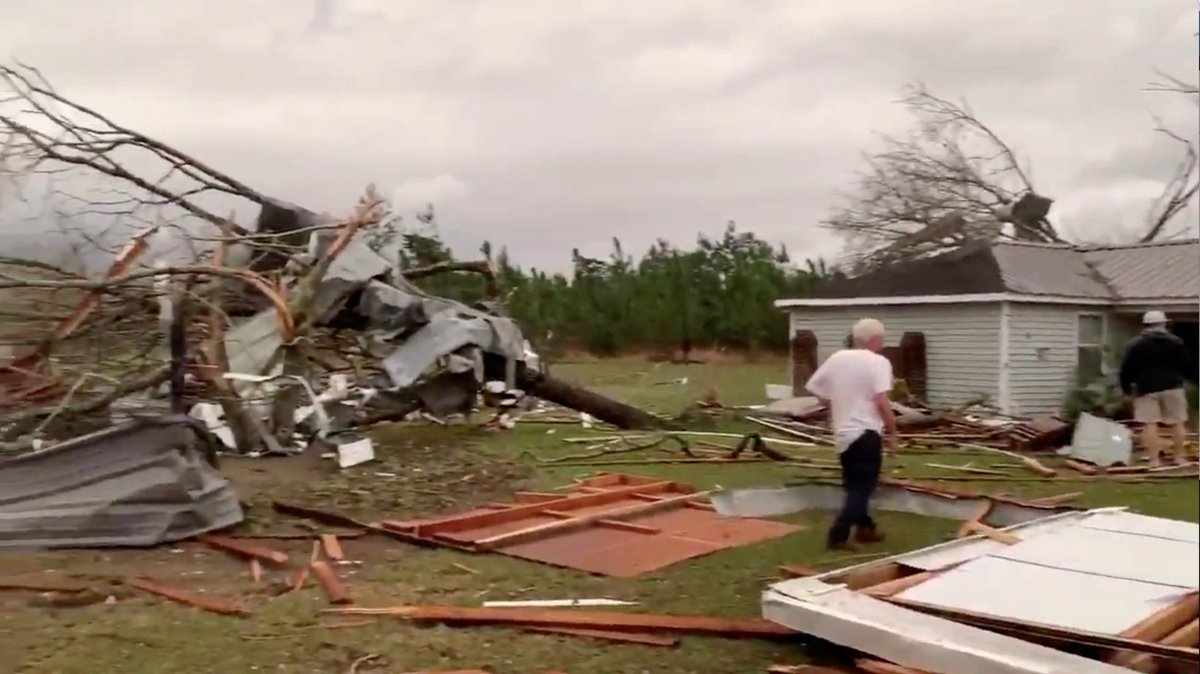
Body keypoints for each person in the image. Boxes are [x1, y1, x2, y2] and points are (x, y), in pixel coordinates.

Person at [805, 318, 898, 551]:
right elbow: (881, 400)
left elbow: (815, 387)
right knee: (862, 488)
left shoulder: (838, 358)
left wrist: (838, 405)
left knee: (854, 485)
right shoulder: (879, 362)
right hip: (866, 432)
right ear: (875, 339)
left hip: (844, 435)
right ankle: (837, 535)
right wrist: (893, 430)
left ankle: (865, 528)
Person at [1118, 310, 1197, 467]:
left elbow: (1126, 369)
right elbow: (1187, 364)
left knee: (1150, 424)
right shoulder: (1176, 342)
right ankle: (1179, 458)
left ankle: (1154, 460)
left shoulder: (1136, 344)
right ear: (1163, 323)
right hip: (1173, 386)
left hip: (1146, 388)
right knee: (1177, 422)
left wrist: (1126, 390)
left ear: (1145, 325)